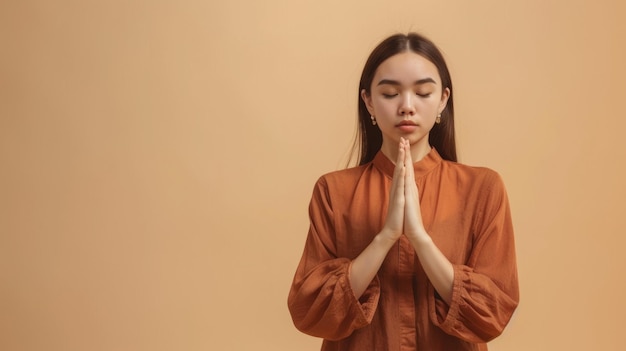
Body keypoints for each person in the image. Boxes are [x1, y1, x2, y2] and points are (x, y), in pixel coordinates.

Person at [287, 33, 519, 351]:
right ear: (368, 100)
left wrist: (420, 239)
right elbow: (309, 309)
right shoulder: (333, 191)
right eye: (390, 93)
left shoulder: (482, 189)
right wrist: (385, 237)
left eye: (423, 92)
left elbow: (493, 313)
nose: (406, 106)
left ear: (443, 100)